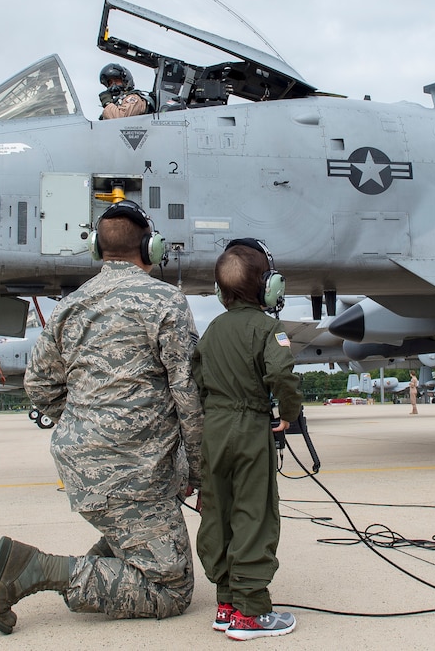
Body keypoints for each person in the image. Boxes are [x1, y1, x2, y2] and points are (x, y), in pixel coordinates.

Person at [0, 199, 203, 634]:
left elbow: (39, 386)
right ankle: (39, 568)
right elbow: (188, 394)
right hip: (136, 472)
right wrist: (202, 468)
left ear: (96, 252)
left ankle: (121, 553)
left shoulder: (70, 305)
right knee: (171, 591)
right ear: (152, 248)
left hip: (85, 462)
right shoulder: (166, 301)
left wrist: (88, 422)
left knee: (152, 517)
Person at [191, 238, 302, 641]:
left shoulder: (212, 330)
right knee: (254, 513)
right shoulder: (268, 328)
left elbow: (198, 379)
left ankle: (226, 603)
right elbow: (282, 375)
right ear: (268, 288)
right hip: (250, 425)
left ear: (220, 293)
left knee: (217, 510)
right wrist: (289, 414)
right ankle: (251, 612)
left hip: (214, 428)